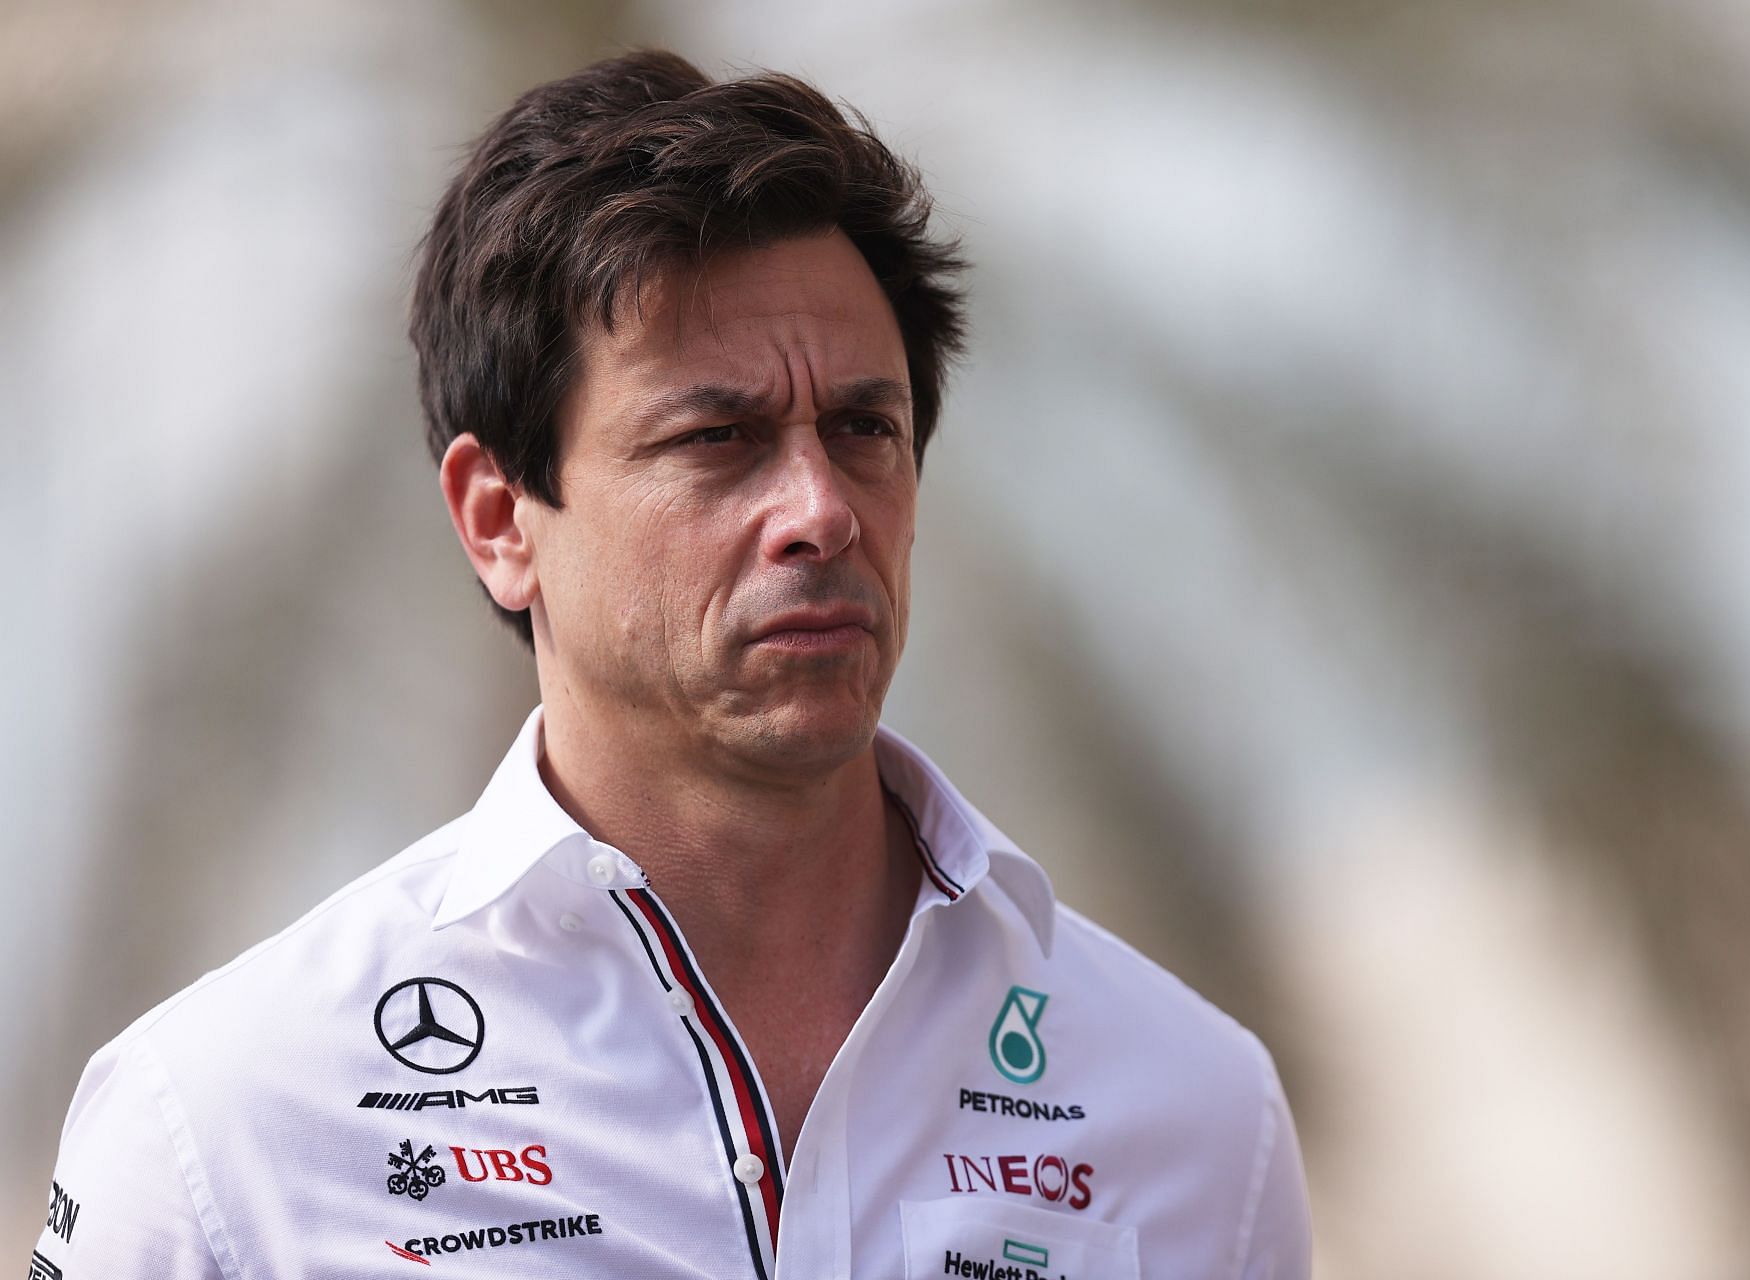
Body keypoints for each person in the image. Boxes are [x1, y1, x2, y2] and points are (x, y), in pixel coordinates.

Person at [32, 48, 1309, 1279]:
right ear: (497, 519)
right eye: (718, 436)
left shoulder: (1195, 1110)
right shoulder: (222, 1124)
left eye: (866, 426)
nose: (819, 506)